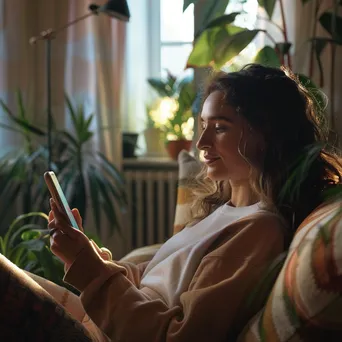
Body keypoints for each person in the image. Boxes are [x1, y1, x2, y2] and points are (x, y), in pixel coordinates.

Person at [2, 64, 341, 341]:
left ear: (266, 135)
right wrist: (91, 258)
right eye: (203, 126)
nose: (202, 142)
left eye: (220, 128)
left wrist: (93, 273)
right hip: (103, 324)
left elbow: (179, 336)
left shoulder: (258, 231)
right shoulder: (225, 211)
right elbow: (157, 284)